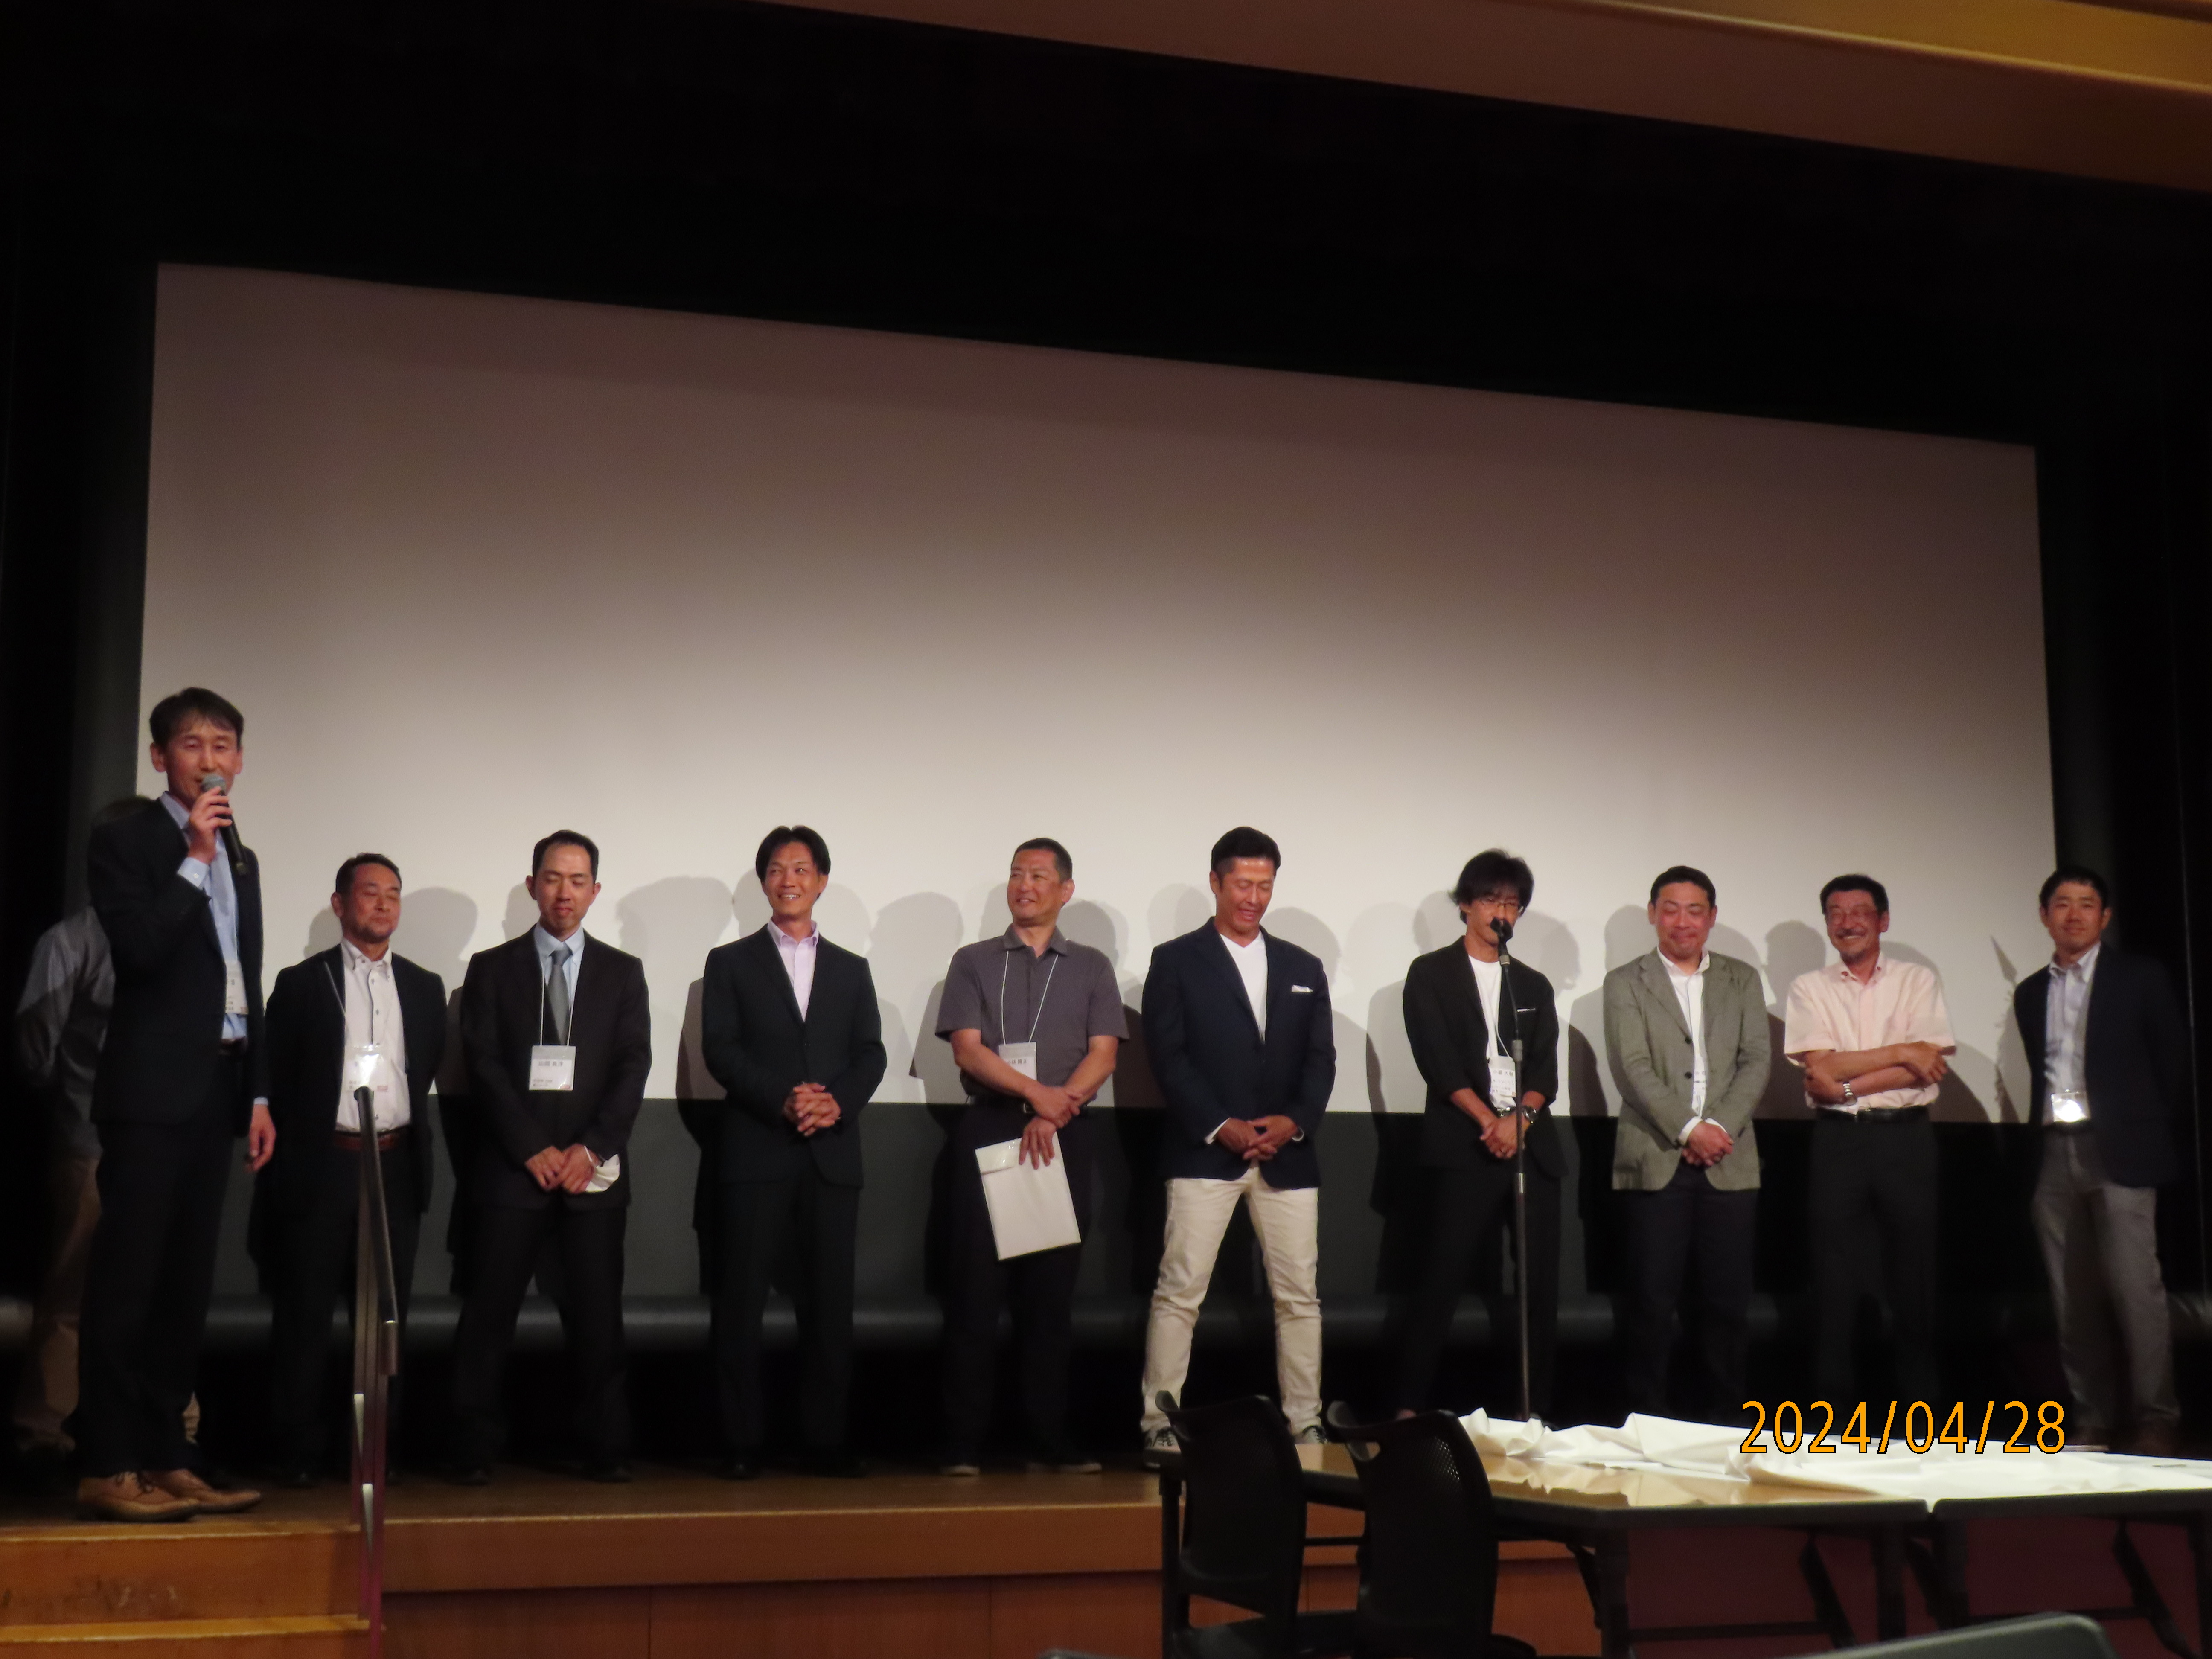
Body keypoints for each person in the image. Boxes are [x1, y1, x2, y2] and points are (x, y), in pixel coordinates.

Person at [77, 690, 274, 1522]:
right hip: (150, 1094)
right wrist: (193, 856)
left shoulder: (243, 855)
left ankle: (166, 1452)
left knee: (186, 1289)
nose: (210, 759)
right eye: (192, 744)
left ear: (240, 758)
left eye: (223, 744)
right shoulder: (128, 841)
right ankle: (106, 1461)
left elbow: (244, 975)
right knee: (128, 1284)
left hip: (218, 1089)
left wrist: (258, 1089)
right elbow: (142, 951)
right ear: (161, 758)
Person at [449, 831, 649, 1484]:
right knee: (487, 1319)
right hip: (513, 1173)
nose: (565, 892)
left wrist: (591, 1149)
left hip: (592, 1176)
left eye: (578, 880)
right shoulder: (491, 969)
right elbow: (483, 1066)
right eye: (554, 878)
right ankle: (473, 1450)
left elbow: (632, 1066)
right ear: (533, 884)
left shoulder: (623, 972)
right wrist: (530, 1147)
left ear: (596, 891)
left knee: (598, 1322)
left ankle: (606, 1447)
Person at [1138, 827, 1335, 1463]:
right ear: (1216, 883)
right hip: (1205, 1152)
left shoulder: (1304, 966)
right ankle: (1160, 1421)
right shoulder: (1175, 960)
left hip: (1287, 1156)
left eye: (1265, 886)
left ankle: (1305, 1420)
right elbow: (1168, 1057)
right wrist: (1220, 1123)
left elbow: (1321, 1061)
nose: (1254, 898)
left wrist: (1293, 1122)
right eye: (1243, 884)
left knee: (1299, 1298)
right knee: (1180, 1292)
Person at [699, 826, 885, 1479]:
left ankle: (825, 1442)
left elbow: (871, 1053)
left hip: (831, 1155)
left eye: (802, 869)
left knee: (830, 1307)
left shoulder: (852, 969)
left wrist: (835, 1103)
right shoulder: (729, 963)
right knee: (741, 1302)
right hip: (756, 1151)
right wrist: (783, 1099)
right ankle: (740, 1442)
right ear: (763, 882)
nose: (789, 880)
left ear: (822, 881)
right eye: (777, 869)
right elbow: (721, 1050)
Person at [934, 839, 1124, 1475]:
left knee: (1049, 1299)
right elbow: (967, 1049)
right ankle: (962, 1441)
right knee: (974, 1295)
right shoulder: (973, 961)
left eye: (1039, 876)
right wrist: (1034, 1095)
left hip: (1062, 1134)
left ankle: (1049, 1438)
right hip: (991, 1125)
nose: (1025, 885)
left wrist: (1055, 1107)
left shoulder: (1092, 966)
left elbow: (1104, 1053)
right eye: (1017, 874)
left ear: (1065, 890)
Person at [255, 854, 446, 1486]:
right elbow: (278, 1074)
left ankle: (375, 1452)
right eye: (370, 892)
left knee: (387, 1319)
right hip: (324, 1165)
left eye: (394, 893)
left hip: (395, 1165)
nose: (384, 904)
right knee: (306, 1315)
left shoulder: (424, 986)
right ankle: (296, 1452)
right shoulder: (302, 983)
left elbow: (425, 1068)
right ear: (340, 904)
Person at [2014, 866, 2185, 1455]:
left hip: (2120, 1151)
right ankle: (2092, 1417)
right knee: (2071, 1297)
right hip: (2053, 1152)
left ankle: (2156, 1416)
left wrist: (2138, 1126)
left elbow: (2171, 1063)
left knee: (2137, 1292)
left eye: (2087, 904)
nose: (2074, 914)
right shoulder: (2031, 991)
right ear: (2044, 916)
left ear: (2105, 917)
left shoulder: (2139, 977)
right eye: (2062, 903)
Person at [10, 798, 156, 1469]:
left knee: (157, 1290)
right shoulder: (71, 940)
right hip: (91, 1143)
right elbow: (35, 1043)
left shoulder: (177, 931)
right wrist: (71, 1095)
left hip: (160, 1144)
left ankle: (161, 1429)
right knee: (73, 1291)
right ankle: (45, 1431)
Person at [1394, 850, 1563, 1423]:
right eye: (1492, 899)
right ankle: (1409, 1409)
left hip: (1531, 1148)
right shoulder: (1431, 974)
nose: (1502, 912)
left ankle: (1532, 1413)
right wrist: (1490, 1122)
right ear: (1466, 904)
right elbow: (1438, 1062)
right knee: (1440, 1280)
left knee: (1538, 1286)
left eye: (1512, 903)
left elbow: (1545, 1072)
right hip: (1464, 1144)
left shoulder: (1532, 983)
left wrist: (1521, 1121)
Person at [1604, 865, 1770, 1423]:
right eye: (1670, 909)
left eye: (1694, 910)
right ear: (1653, 913)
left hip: (1730, 1157)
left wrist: (1717, 1127)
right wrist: (1688, 1129)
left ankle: (1726, 1421)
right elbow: (1632, 1068)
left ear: (1712, 917)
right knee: (1651, 1302)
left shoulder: (1742, 980)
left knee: (1727, 1304)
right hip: (1656, 1156)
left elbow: (1756, 1061)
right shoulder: (1625, 981)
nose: (1682, 921)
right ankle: (1646, 1420)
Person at [1784, 873, 1955, 1409]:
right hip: (1839, 1143)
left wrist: (1849, 1083)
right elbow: (1820, 1069)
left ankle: (1920, 1413)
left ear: (1883, 921)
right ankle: (1832, 1412)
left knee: (1914, 1276)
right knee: (1832, 1276)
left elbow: (1928, 1066)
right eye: (1836, 913)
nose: (1848, 922)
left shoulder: (1916, 980)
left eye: (1860, 912)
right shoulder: (1809, 988)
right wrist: (1902, 1051)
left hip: (1906, 1140)